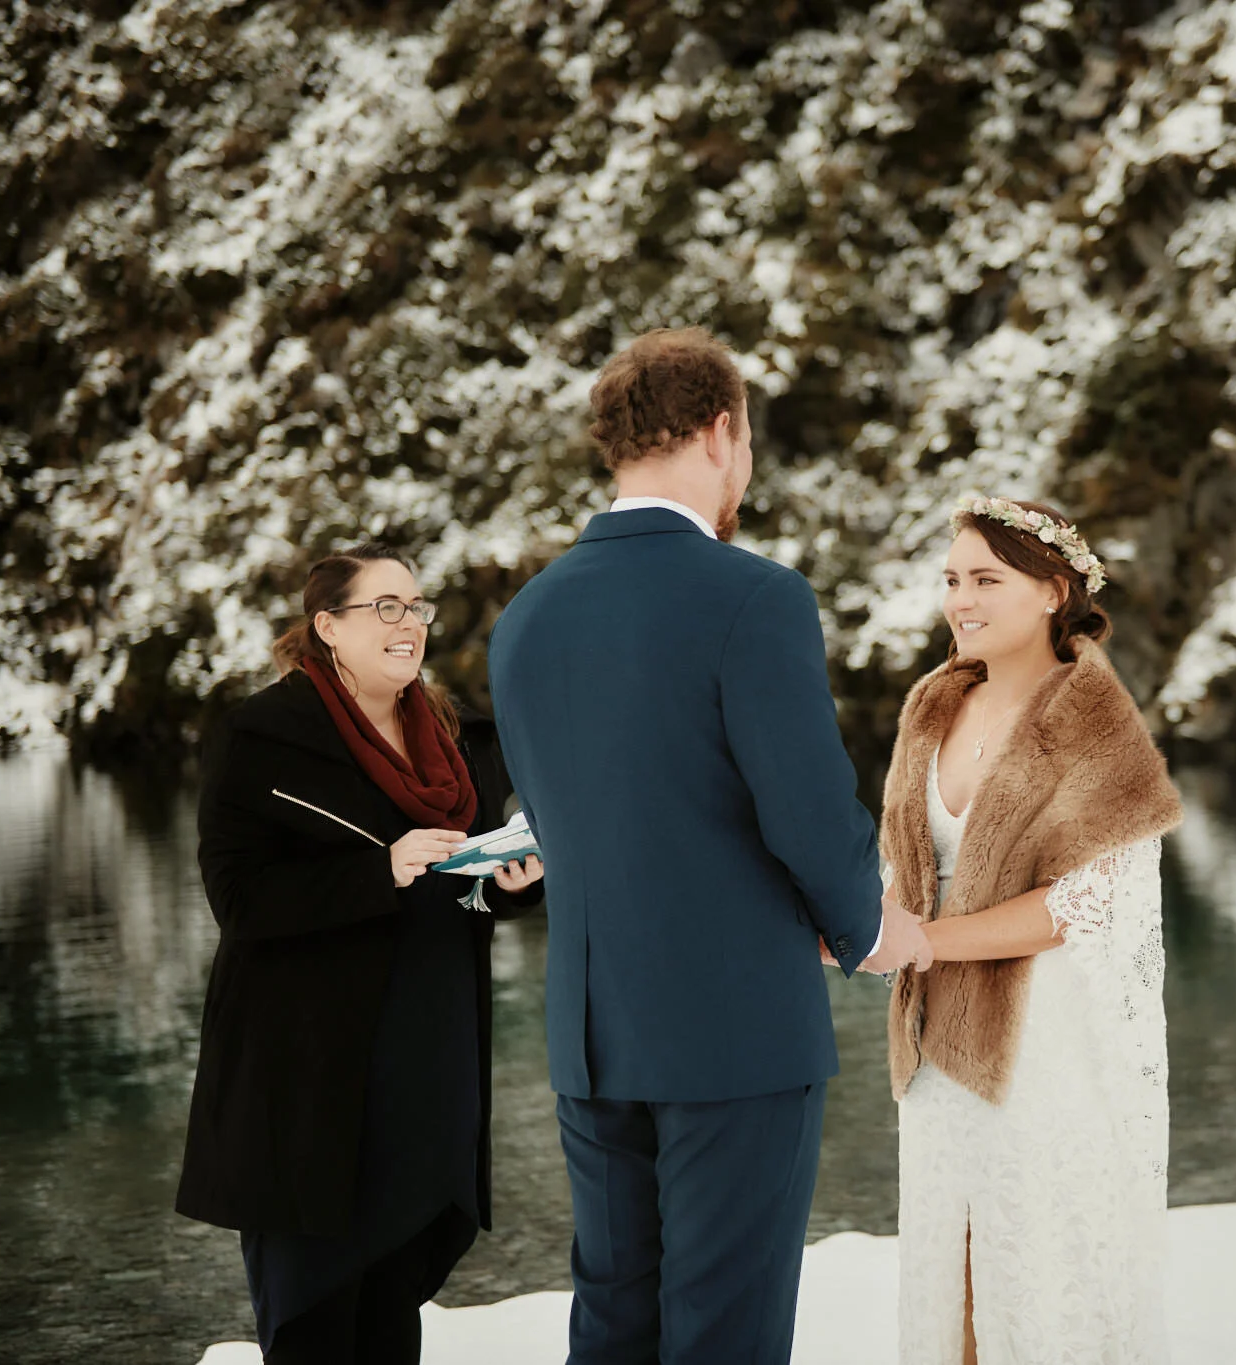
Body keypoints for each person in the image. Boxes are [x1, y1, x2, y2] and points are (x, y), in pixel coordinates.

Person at [487, 326, 931, 1364]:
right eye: (749, 444)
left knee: (613, 1327)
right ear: (721, 433)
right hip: (734, 1033)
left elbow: (555, 813)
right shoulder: (753, 596)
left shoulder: (525, 618)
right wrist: (871, 930)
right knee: (724, 1332)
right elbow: (806, 811)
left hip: (591, 1038)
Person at [175, 543, 545, 1364]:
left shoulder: (454, 740)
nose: (408, 622)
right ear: (328, 626)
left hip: (429, 1078)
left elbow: (461, 893)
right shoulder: (260, 737)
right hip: (315, 1092)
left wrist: (510, 884)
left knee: (392, 1312)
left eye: (416, 606)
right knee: (315, 1314)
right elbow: (239, 901)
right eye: (385, 606)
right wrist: (377, 870)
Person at [885, 497, 1184, 1365]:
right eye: (952, 579)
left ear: (1054, 591)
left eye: (986, 579)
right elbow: (905, 863)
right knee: (949, 1270)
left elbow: (1077, 905)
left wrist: (923, 941)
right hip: (934, 1042)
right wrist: (861, 924)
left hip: (1043, 1037)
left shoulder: (1095, 721)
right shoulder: (933, 705)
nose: (961, 600)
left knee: (1032, 1268)